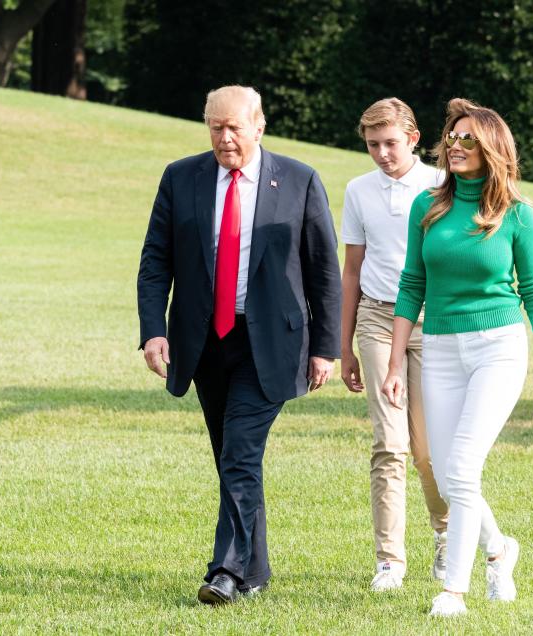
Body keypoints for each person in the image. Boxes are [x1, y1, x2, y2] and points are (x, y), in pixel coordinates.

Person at [137, 85, 342, 604]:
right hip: (203, 342)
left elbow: (324, 271)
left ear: (259, 125)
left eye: (234, 127)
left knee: (239, 453)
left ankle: (225, 571)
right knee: (232, 456)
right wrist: (153, 330)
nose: (224, 138)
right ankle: (256, 569)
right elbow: (155, 260)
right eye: (215, 127)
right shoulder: (180, 177)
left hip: (270, 343)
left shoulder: (299, 180)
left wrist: (326, 347)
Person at [381, 98, 533, 617]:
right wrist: (395, 363)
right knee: (445, 468)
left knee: (460, 466)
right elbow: (411, 284)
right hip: (438, 347)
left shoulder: (518, 214)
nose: (455, 146)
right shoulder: (427, 207)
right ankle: (501, 549)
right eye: (452, 138)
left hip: (498, 349)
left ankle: (453, 591)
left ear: (491, 148)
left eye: (467, 140)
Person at [340, 98, 449, 592]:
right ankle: (390, 561)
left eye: (389, 143)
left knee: (427, 449)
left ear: (412, 137)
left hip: (431, 323)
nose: (382, 154)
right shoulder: (357, 191)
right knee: (390, 443)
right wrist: (344, 346)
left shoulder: (440, 186)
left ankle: (447, 537)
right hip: (377, 320)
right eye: (372, 145)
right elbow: (352, 271)